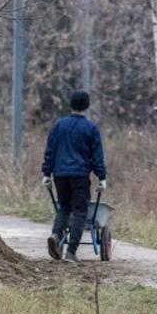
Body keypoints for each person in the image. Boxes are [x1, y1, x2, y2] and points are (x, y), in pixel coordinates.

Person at [41, 90, 106, 263]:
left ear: (71, 104)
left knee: (64, 208)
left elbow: (50, 150)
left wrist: (46, 173)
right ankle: (71, 252)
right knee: (80, 211)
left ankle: (55, 236)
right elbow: (97, 156)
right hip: (80, 175)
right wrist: (102, 177)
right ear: (87, 105)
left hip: (60, 174)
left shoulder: (58, 125)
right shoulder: (90, 128)